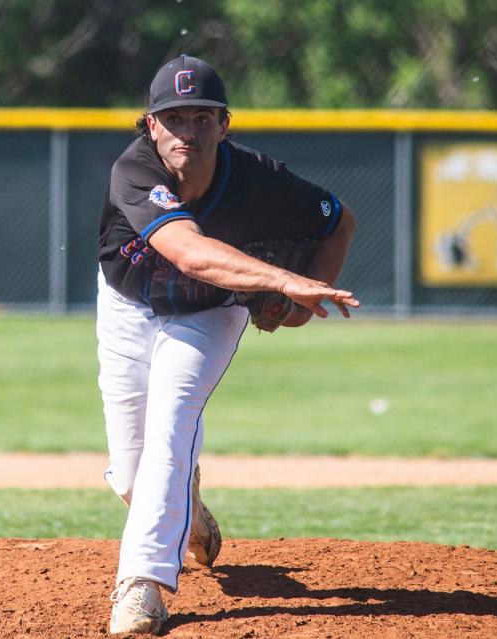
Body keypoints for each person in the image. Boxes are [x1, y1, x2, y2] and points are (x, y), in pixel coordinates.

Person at [97, 55, 359, 635]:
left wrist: (294, 312)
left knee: (174, 418)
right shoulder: (134, 171)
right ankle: (184, 508)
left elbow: (337, 221)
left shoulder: (259, 180)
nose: (187, 130)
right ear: (149, 125)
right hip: (127, 306)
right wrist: (282, 279)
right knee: (132, 477)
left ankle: (141, 587)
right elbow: (188, 250)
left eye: (201, 117)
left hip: (210, 312)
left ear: (224, 124)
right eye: (174, 117)